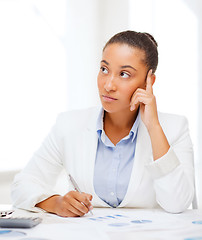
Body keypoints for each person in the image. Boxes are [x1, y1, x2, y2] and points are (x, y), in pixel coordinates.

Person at [11, 30, 195, 217]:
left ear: (149, 81)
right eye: (104, 69)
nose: (108, 85)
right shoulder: (69, 125)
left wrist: (154, 127)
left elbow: (177, 203)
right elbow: (22, 186)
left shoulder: (174, 128)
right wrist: (55, 202)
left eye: (124, 74)